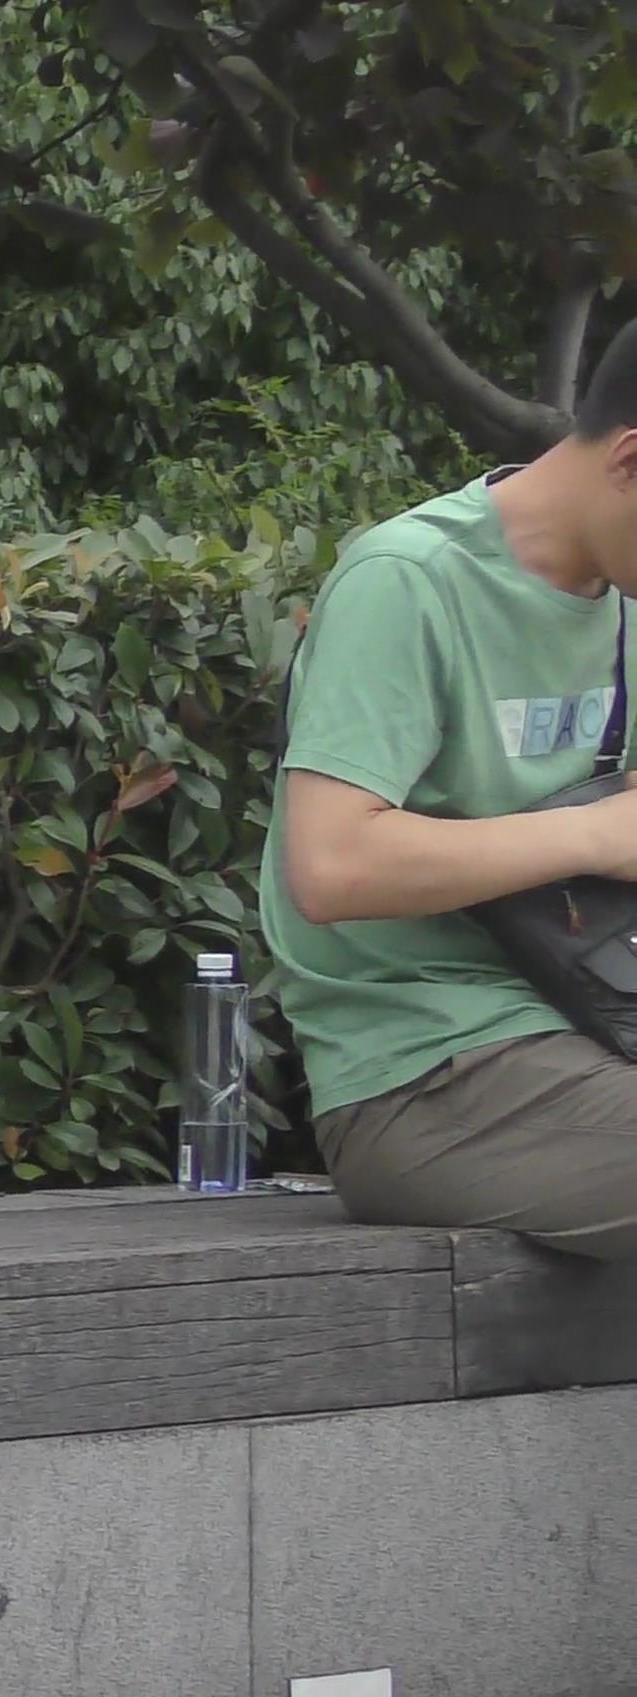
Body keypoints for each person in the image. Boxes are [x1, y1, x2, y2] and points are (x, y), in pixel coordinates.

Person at [268, 321, 637, 1250]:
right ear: (630, 461)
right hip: (426, 1078)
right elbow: (332, 866)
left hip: (600, 1031)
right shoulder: (408, 580)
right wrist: (598, 836)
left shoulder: (626, 600)